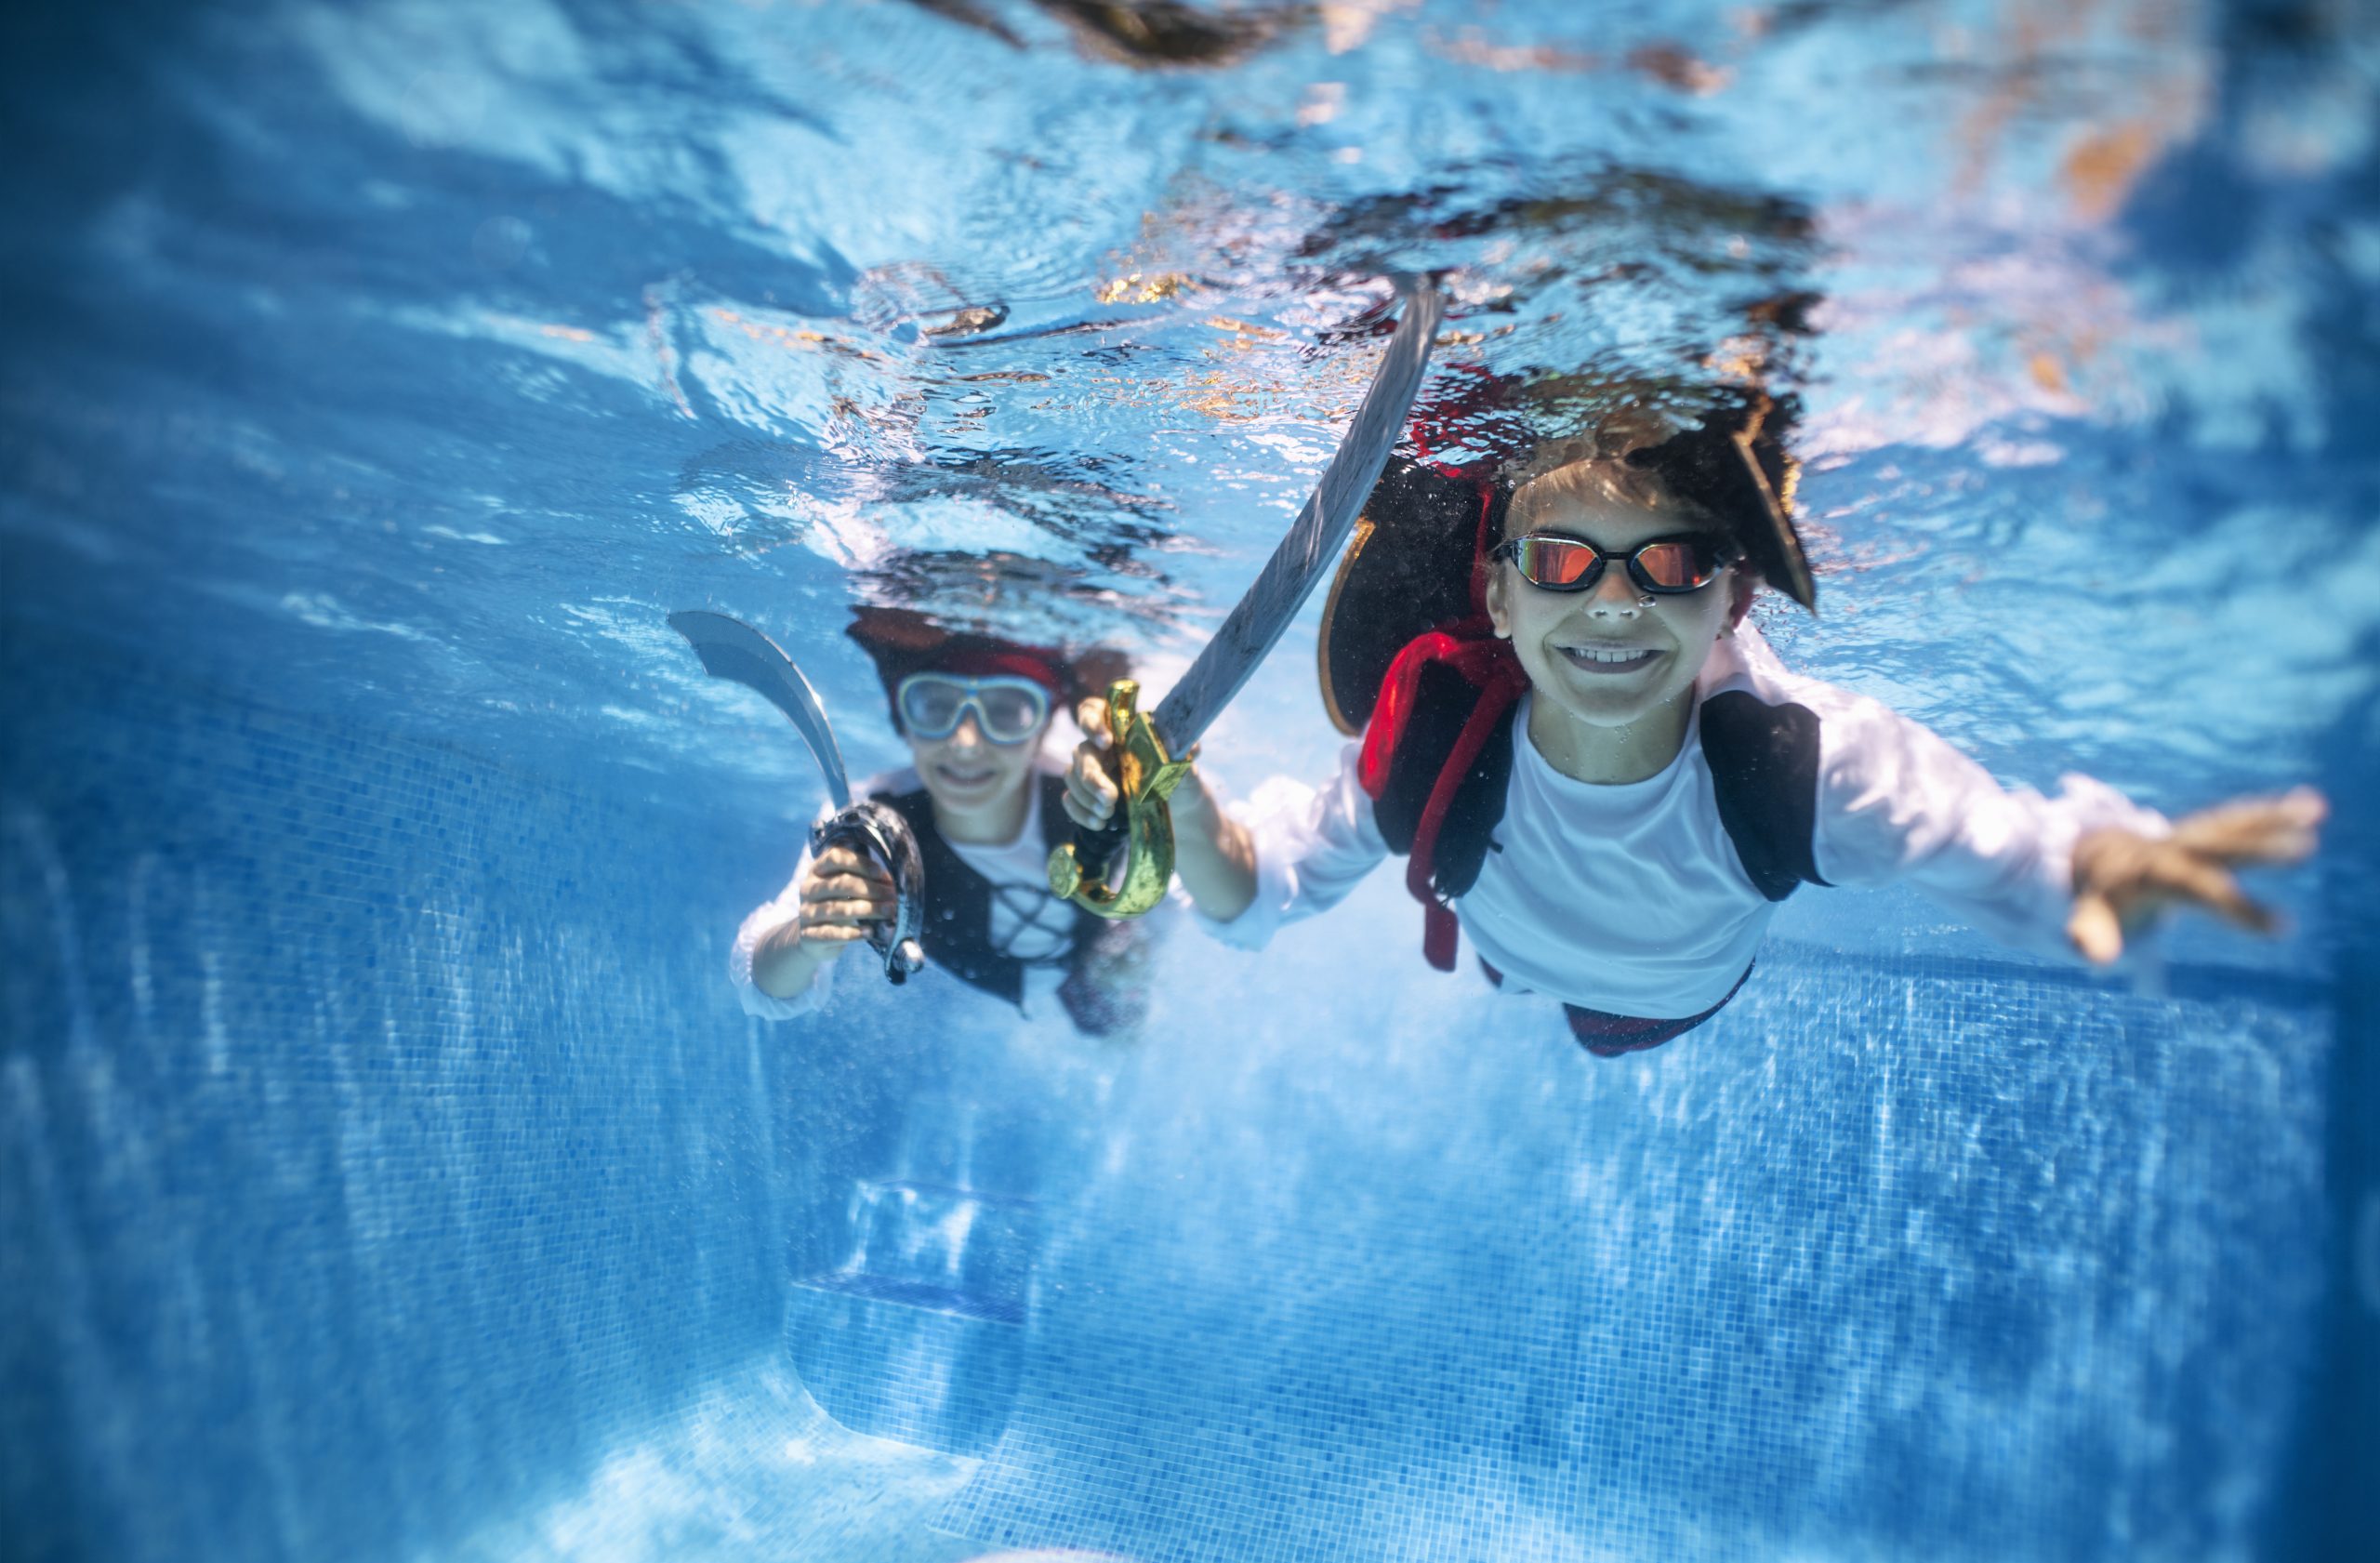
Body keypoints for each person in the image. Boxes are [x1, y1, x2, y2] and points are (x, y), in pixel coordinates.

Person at [1064, 397, 2326, 1056]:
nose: (1613, 603)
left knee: (1604, 1024)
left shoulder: (1795, 763)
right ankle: (1529, 968)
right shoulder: (1439, 724)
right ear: (1497, 596)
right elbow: (1261, 886)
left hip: (1675, 994)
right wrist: (1172, 803)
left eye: (1667, 565)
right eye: (1563, 562)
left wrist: (2101, 867)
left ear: (1730, 600)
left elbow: (2006, 851)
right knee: (1517, 966)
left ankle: (1565, 988)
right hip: (1512, 943)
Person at [734, 608, 1149, 1038]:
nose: (965, 743)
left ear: (1041, 728)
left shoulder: (1092, 792)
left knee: (1117, 1016)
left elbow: (1194, 883)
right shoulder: (867, 825)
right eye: (935, 707)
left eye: (1005, 712)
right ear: (903, 720)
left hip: (1093, 951)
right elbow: (762, 986)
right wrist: (804, 941)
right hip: (989, 971)